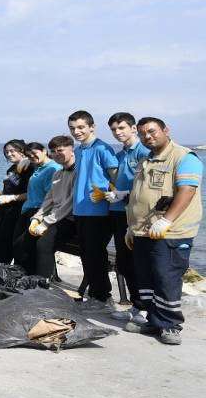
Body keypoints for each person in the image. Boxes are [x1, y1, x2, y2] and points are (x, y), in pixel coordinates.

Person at [123, 117, 202, 345]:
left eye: (152, 131)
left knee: (166, 279)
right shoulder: (146, 160)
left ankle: (170, 326)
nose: (148, 136)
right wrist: (131, 227)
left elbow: (186, 191)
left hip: (170, 233)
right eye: (143, 134)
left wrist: (166, 220)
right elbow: (139, 197)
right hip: (142, 232)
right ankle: (154, 320)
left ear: (166, 130)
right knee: (146, 280)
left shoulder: (184, 157)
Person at [67, 110, 119, 311]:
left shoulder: (103, 149)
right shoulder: (79, 150)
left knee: (96, 255)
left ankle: (104, 297)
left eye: (81, 127)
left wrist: (110, 193)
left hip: (99, 212)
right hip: (80, 210)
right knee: (87, 254)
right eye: (72, 128)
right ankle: (96, 296)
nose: (76, 131)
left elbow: (116, 179)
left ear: (92, 127)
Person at [105, 112, 152, 324]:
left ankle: (146, 308)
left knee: (138, 262)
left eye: (121, 128)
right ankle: (136, 305)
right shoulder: (122, 153)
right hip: (117, 212)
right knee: (123, 263)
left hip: (135, 215)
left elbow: (148, 185)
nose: (117, 133)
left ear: (133, 128)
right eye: (114, 129)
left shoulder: (143, 151)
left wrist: (124, 194)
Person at [16, 136, 76, 279]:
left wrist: (46, 222)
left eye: (60, 150)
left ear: (72, 150)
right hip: (54, 217)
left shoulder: (78, 172)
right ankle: (27, 280)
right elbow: (48, 200)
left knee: (43, 244)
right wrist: (37, 218)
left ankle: (43, 284)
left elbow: (70, 202)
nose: (56, 154)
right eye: (53, 151)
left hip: (69, 219)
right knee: (23, 242)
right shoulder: (57, 173)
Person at [11, 142, 61, 269]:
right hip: (28, 210)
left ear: (44, 151)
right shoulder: (38, 167)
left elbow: (52, 196)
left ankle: (31, 279)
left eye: (34, 153)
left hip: (39, 211)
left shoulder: (53, 168)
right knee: (18, 246)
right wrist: (25, 162)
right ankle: (20, 277)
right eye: (29, 155)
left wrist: (41, 217)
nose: (32, 156)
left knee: (24, 247)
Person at [0, 139, 34, 263]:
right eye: (6, 152)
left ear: (22, 151)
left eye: (12, 151)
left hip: (18, 211)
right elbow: (12, 187)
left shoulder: (30, 167)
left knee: (3, 242)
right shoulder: (12, 168)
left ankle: (1, 268)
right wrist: (2, 194)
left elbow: (32, 193)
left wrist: (10, 197)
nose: (9, 154)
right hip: (3, 209)